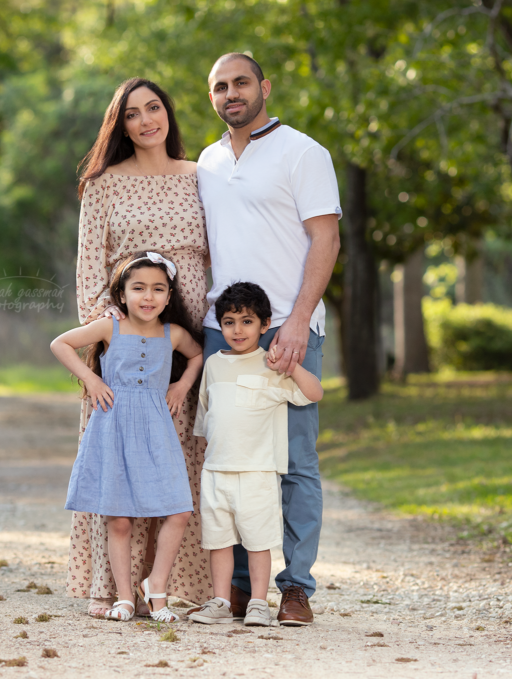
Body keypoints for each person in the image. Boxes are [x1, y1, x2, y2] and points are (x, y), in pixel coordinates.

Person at [197, 53, 342, 626]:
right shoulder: (206, 162)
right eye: (219, 87)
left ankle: (295, 588)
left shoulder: (303, 153)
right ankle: (237, 589)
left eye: (240, 82)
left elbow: (325, 240)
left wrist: (300, 319)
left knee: (295, 461)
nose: (231, 93)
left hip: (288, 321)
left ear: (265, 87)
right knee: (229, 457)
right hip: (223, 327)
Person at [71, 78, 212, 617]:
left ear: (169, 114)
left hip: (190, 333)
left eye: (154, 108)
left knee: (180, 460)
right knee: (123, 463)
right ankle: (117, 589)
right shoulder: (104, 184)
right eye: (132, 113)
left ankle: (172, 584)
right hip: (129, 340)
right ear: (120, 124)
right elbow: (89, 264)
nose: (146, 120)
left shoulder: (201, 176)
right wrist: (103, 333)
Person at [51, 252, 205, 622]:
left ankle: (157, 588)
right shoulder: (110, 327)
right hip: (113, 425)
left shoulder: (174, 334)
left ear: (169, 297)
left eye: (157, 289)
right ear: (121, 295)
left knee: (179, 510)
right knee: (119, 519)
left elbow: (198, 355)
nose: (148, 297)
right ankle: (123, 597)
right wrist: (91, 379)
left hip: (156, 428)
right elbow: (60, 344)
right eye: (138, 288)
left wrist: (182, 384)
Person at [188, 282, 323, 627]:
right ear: (220, 326)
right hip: (217, 471)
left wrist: (290, 367)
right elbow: (206, 416)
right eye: (229, 322)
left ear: (265, 325)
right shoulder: (214, 364)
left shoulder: (271, 365)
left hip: (258, 472)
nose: (237, 329)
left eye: (247, 321)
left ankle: (259, 603)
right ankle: (221, 600)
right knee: (218, 540)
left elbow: (314, 393)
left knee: (257, 540)